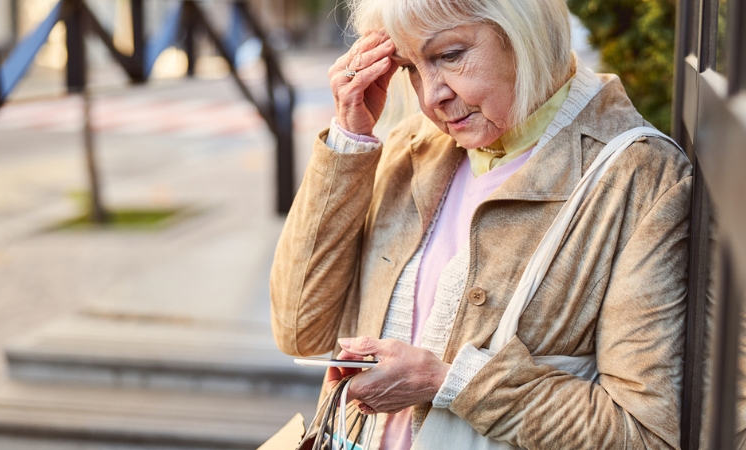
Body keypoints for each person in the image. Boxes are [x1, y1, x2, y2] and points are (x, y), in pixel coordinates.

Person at [270, 0, 692, 448]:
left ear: (524, 32)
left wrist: (448, 382)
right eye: (409, 67)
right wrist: (349, 141)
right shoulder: (412, 145)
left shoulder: (639, 177)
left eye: (450, 56)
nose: (432, 96)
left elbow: (647, 435)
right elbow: (300, 330)